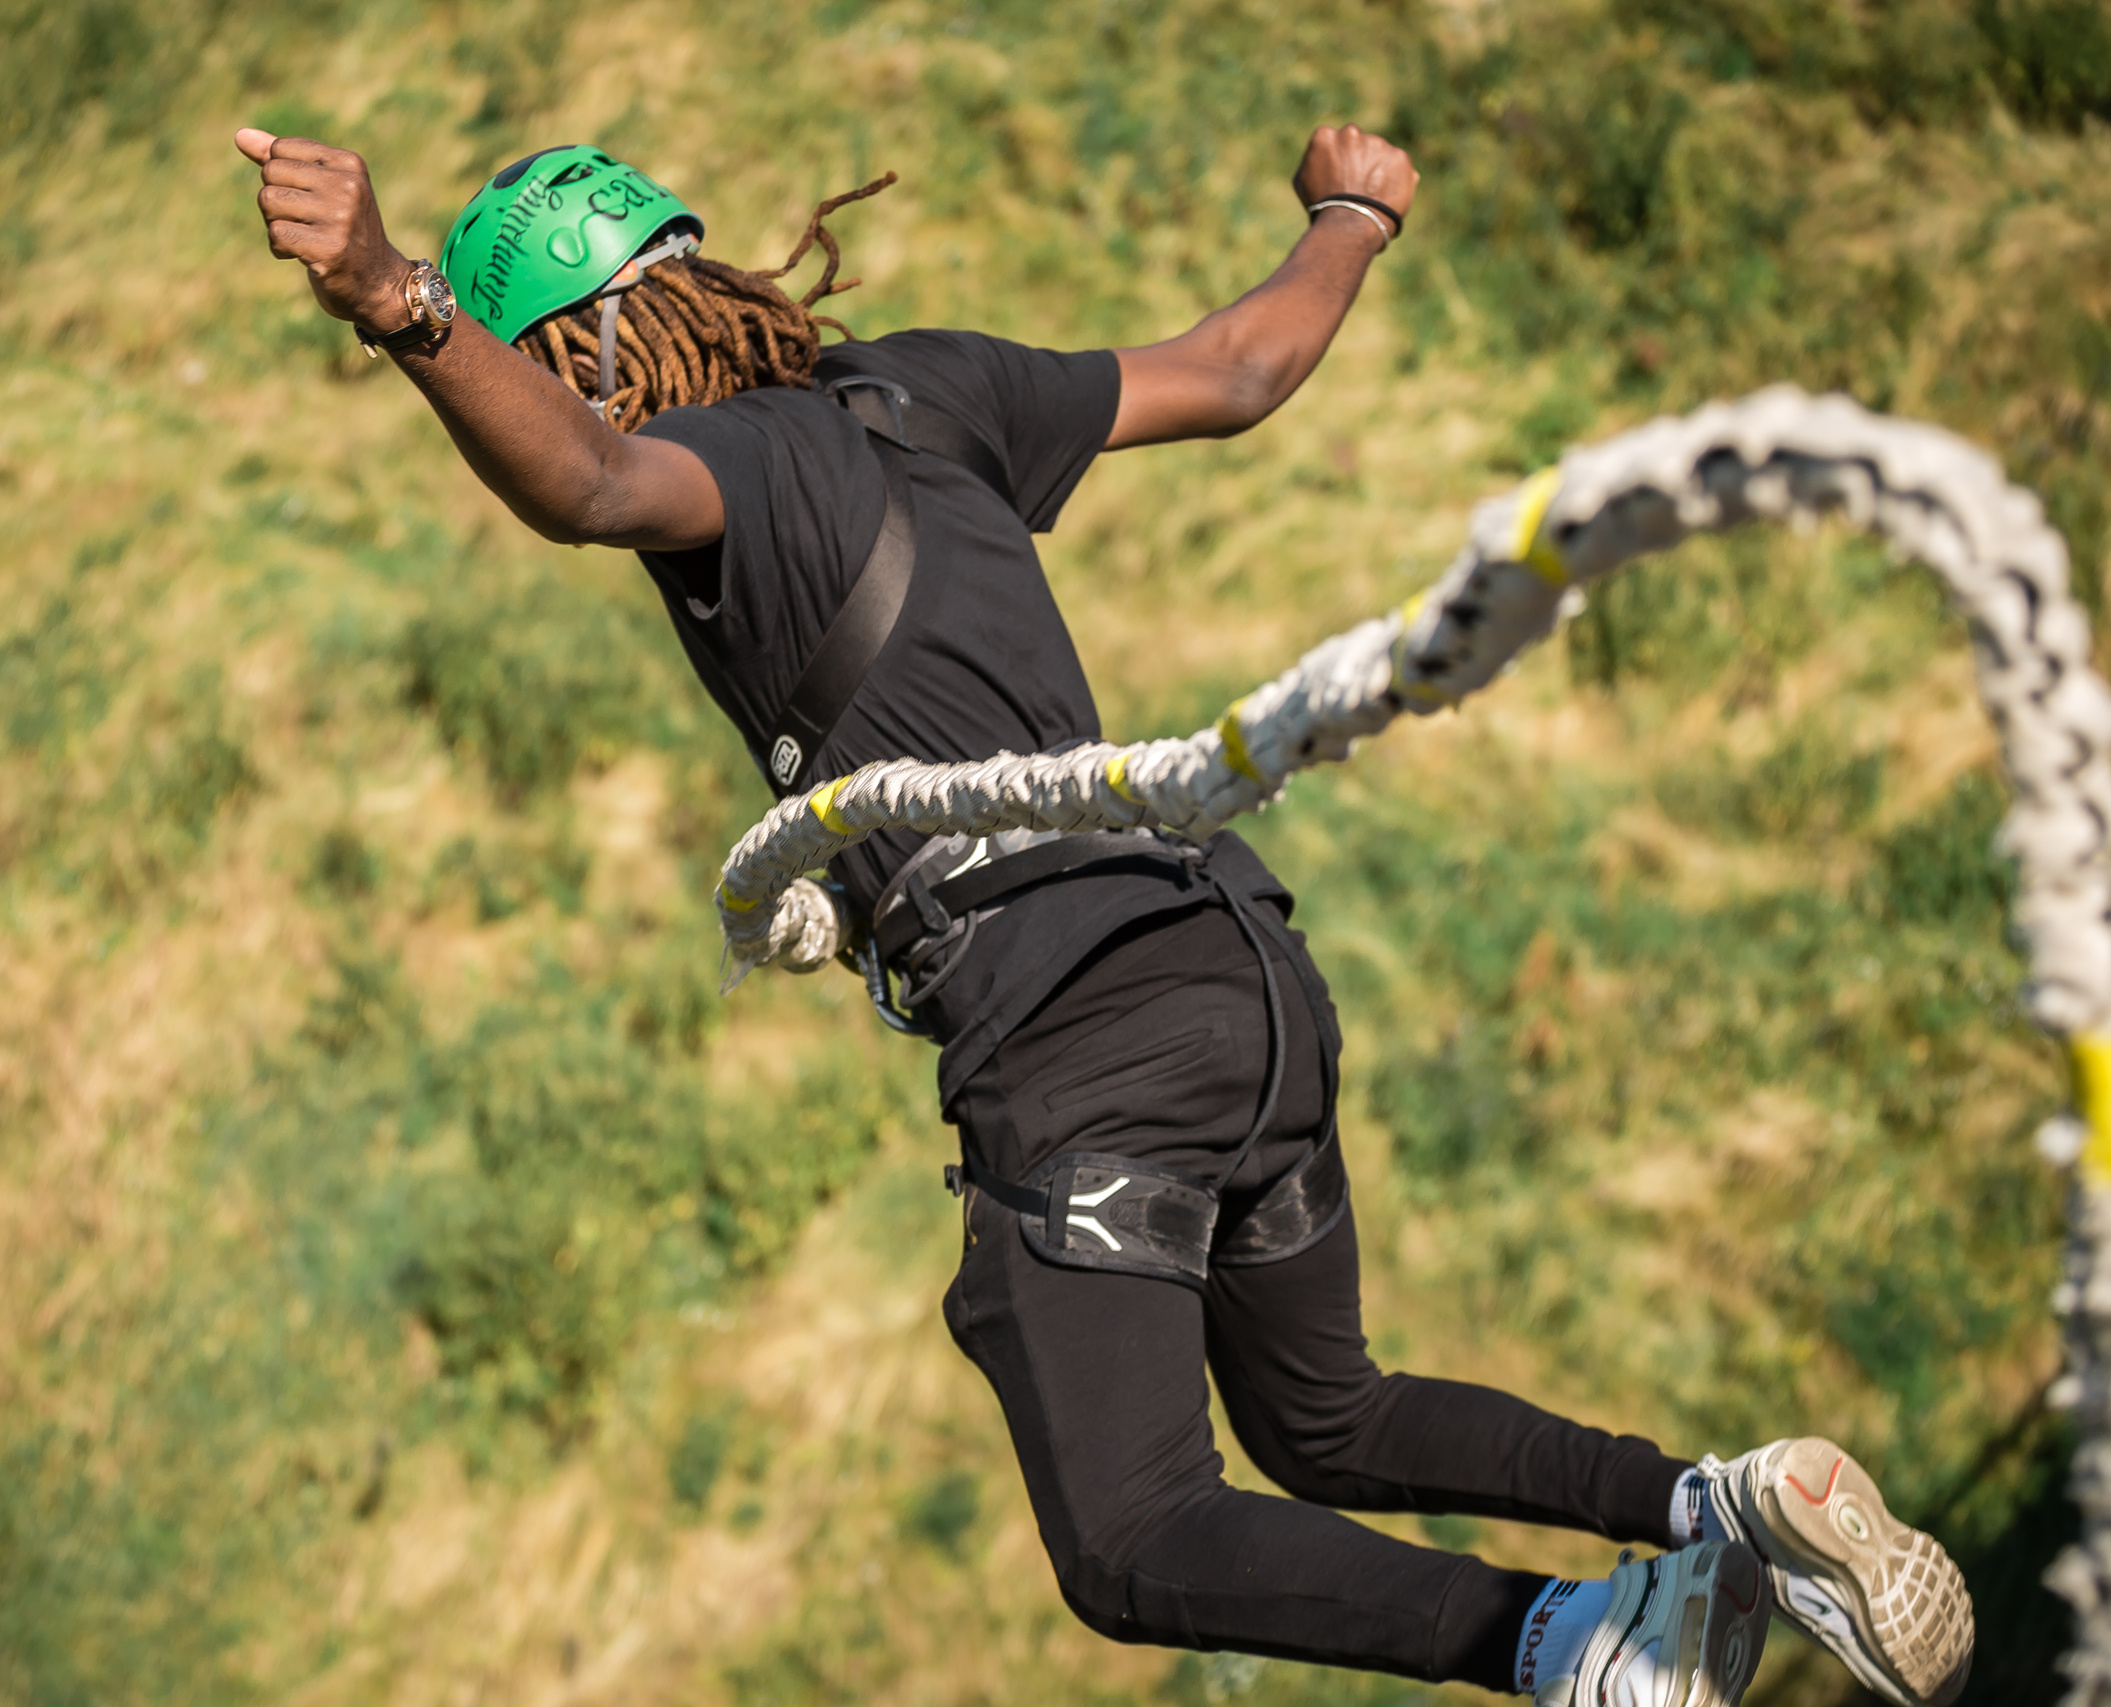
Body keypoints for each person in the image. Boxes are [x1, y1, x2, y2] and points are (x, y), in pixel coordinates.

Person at [234, 123, 1977, 1707]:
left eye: (538, 373)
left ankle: (1575, 1646)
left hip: (1078, 1039)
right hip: (1238, 969)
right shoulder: (927, 389)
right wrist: (1351, 217)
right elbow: (1237, 368)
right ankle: (1717, 1502)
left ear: (588, 348)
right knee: (1326, 1419)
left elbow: (590, 488)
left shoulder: (706, 472)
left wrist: (396, 301)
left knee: (1135, 1539)